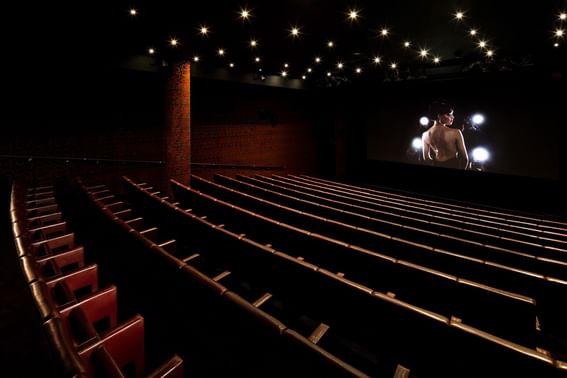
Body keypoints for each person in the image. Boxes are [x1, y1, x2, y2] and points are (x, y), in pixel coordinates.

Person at [421, 102, 469, 169]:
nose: (453, 117)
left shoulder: (425, 134)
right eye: (449, 115)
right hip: (453, 164)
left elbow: (426, 158)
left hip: (436, 163)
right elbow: (465, 158)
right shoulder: (456, 132)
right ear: (439, 116)